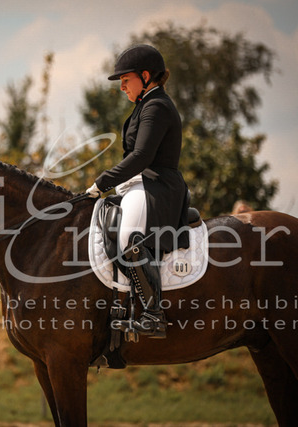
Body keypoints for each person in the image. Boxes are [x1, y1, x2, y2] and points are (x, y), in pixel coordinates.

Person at [85, 44, 190, 339]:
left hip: (156, 185)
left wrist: (102, 182)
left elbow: (142, 156)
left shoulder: (157, 106)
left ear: (145, 76)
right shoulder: (145, 105)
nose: (121, 87)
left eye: (125, 80)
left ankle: (153, 314)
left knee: (130, 239)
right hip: (140, 184)